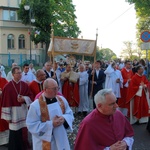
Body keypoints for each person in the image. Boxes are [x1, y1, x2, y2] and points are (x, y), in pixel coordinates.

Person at [26, 78, 74, 150]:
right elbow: (31, 125)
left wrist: (64, 119)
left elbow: (69, 113)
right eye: (54, 89)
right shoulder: (35, 106)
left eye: (57, 88)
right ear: (45, 89)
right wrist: (51, 124)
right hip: (45, 142)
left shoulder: (61, 100)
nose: (57, 91)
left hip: (61, 138)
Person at [1, 66, 33, 150]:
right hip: (13, 112)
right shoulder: (7, 87)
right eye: (17, 73)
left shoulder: (24, 85)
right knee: (14, 133)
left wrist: (24, 98)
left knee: (23, 131)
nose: (20, 74)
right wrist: (7, 117)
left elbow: (30, 96)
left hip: (23, 110)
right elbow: (5, 102)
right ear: (12, 74)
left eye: (20, 73)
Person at [0, 71, 9, 146]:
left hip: (2, 104)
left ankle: (5, 141)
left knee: (3, 121)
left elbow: (8, 90)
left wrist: (2, 92)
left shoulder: (3, 80)